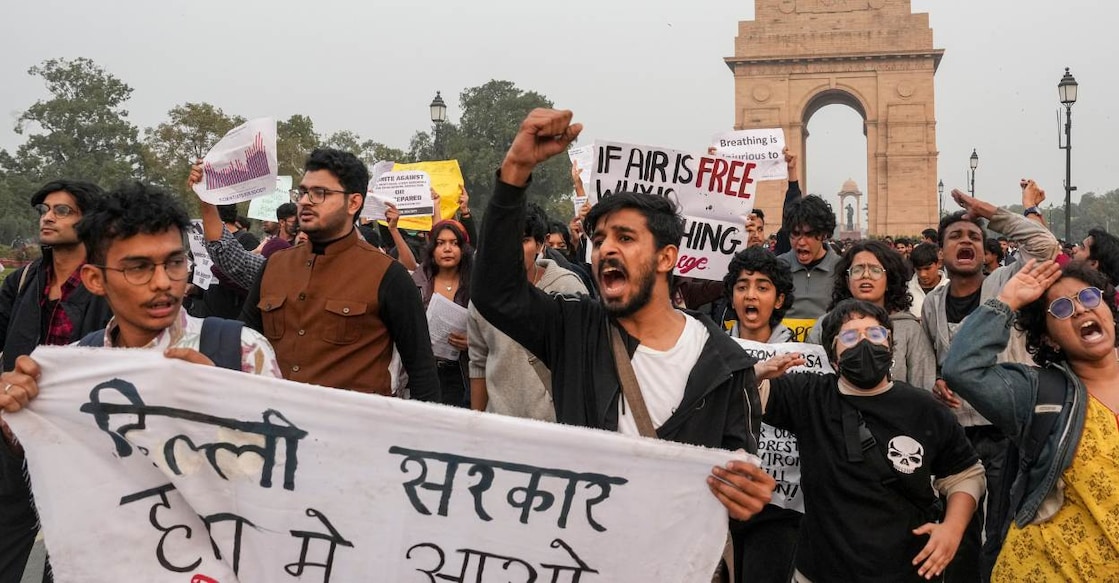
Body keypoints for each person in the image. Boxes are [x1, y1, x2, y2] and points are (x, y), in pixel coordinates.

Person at [472, 108, 775, 537]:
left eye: (625, 238)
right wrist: (516, 169)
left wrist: (746, 494)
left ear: (667, 257)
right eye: (598, 241)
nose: (605, 250)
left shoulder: (727, 364)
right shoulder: (573, 329)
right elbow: (495, 293)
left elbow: (738, 469)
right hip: (581, 552)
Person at [0, 182, 282, 583]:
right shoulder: (77, 368)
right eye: (138, 268)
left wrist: (220, 409)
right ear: (95, 279)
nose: (164, 282)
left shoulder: (240, 351)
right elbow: (51, 485)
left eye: (174, 263)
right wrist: (16, 428)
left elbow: (282, 483)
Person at [761, 299, 984, 582]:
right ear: (833, 358)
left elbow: (966, 474)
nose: (864, 342)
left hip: (904, 570)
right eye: (851, 337)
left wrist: (952, 528)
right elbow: (744, 397)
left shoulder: (924, 408)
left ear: (890, 346)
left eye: (875, 333)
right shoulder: (809, 396)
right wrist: (757, 374)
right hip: (820, 572)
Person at [193, 149, 440, 400]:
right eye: (303, 192)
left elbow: (421, 370)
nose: (306, 201)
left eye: (319, 193)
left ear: (354, 203)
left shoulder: (388, 275)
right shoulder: (274, 266)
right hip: (276, 426)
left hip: (356, 432)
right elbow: (244, 342)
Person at [942, 260, 1119, 581]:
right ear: (1049, 339)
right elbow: (962, 369)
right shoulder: (1038, 393)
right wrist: (1007, 302)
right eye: (1062, 308)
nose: (1080, 310)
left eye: (1089, 297)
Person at [922, 184, 1059, 581]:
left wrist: (990, 212)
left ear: (985, 251)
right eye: (956, 236)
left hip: (1006, 433)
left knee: (1000, 530)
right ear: (941, 254)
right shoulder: (932, 302)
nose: (966, 240)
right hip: (958, 439)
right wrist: (936, 382)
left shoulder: (1007, 280)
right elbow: (939, 360)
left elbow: (1045, 246)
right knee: (960, 535)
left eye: (975, 237)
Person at [0, 179, 110, 583]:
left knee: (69, 555)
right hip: (16, 433)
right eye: (45, 209)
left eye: (62, 210)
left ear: (90, 221)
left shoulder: (108, 286)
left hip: (79, 442)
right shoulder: (24, 280)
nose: (48, 217)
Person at [722, 247, 801, 582]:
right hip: (719, 503)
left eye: (762, 287)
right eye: (742, 286)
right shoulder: (710, 350)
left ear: (779, 300)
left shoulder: (803, 356)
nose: (750, 295)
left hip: (778, 508)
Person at [468, 205, 588, 420]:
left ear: (540, 244)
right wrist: (476, 428)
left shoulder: (566, 288)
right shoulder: (483, 297)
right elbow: (478, 363)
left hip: (556, 429)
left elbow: (586, 364)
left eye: (523, 240)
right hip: (500, 429)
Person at [806, 240, 936, 390]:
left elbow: (923, 387)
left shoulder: (909, 329)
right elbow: (813, 382)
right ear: (847, 281)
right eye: (857, 270)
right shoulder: (825, 325)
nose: (866, 275)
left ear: (889, 281)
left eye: (875, 270)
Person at [412, 219, 473, 407]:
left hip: (463, 374)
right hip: (425, 373)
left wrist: (474, 342)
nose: (447, 249)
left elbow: (492, 331)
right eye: (440, 243)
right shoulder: (417, 283)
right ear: (432, 249)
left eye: (454, 243)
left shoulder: (476, 286)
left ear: (463, 249)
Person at [776, 194, 840, 340]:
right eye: (796, 234)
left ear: (824, 234)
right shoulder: (776, 267)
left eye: (809, 234)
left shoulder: (841, 269)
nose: (801, 242)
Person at [908, 242, 948, 319]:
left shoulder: (950, 289)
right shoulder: (906, 290)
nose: (923, 274)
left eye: (927, 268)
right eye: (918, 269)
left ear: (939, 264)